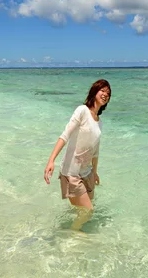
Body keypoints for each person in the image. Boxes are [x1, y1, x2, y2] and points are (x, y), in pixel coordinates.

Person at [44, 79, 111, 230]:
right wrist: (51, 160)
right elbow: (65, 135)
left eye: (108, 93)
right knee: (88, 211)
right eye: (103, 90)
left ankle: (74, 226)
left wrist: (95, 172)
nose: (105, 94)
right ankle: (73, 233)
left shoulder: (100, 122)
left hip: (87, 173)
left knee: (84, 209)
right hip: (71, 172)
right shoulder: (82, 111)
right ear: (94, 92)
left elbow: (95, 151)